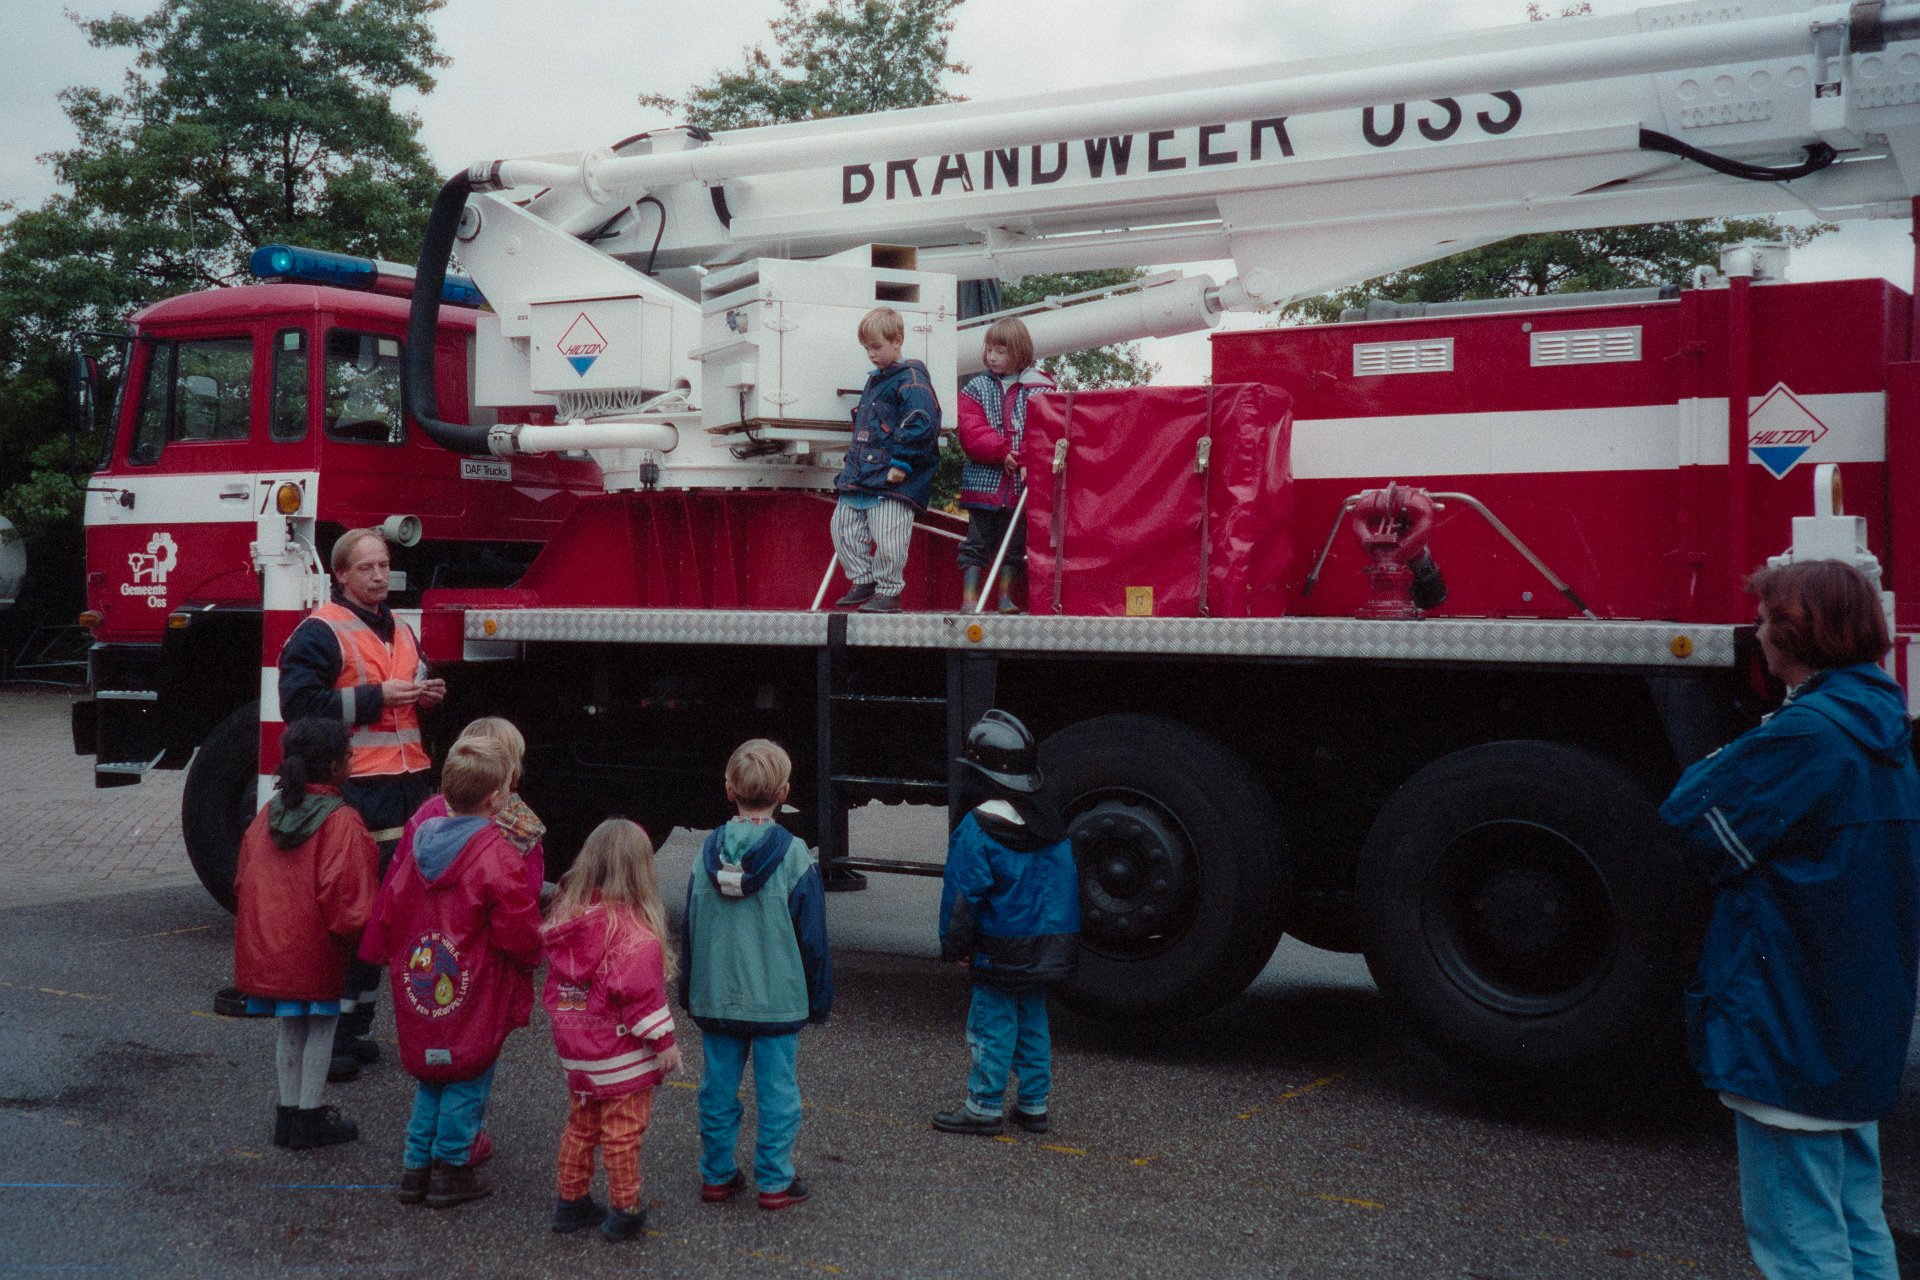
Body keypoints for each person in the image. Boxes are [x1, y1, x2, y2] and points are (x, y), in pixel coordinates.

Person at [1660, 559, 1920, 1280]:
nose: (1756, 636)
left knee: (1800, 1244)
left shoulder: (1803, 736)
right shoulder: (1881, 726)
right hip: (1855, 1026)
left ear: (1795, 634)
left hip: (1789, 1025)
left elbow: (1691, 814)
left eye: (1764, 622)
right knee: (1857, 1220)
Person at [279, 526, 446, 1078]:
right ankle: (336, 1041)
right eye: (367, 568)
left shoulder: (400, 627)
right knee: (356, 919)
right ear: (341, 575)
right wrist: (376, 698)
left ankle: (356, 1030)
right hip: (357, 791)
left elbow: (410, 691)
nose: (379, 576)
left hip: (406, 784)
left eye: (384, 566)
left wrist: (429, 695)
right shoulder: (320, 631)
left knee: (386, 920)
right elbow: (299, 708)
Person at [359, 736, 542, 1210]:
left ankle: (416, 1165)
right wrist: (531, 957)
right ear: (496, 799)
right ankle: (451, 1165)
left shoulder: (419, 845)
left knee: (433, 1075)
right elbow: (518, 929)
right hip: (475, 986)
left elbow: (391, 911)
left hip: (427, 981)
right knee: (467, 1073)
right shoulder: (496, 855)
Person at [680, 739, 833, 1211]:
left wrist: (689, 989)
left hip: (716, 995)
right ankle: (774, 1179)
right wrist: (818, 998)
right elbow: (813, 937)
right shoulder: (794, 856)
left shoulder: (706, 852)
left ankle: (717, 1173)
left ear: (729, 790)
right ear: (784, 792)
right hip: (777, 1001)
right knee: (778, 1092)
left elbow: (691, 926)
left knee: (717, 1089)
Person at [231, 717, 379, 1151]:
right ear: (335, 767)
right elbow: (349, 900)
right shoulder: (342, 821)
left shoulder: (267, 815)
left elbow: (242, 882)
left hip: (270, 949)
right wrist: (367, 941)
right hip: (318, 949)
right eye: (349, 756)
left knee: (290, 1027)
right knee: (323, 1026)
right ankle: (310, 1116)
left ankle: (287, 1115)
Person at [933, 710, 1080, 1136]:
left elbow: (962, 897)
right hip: (1046, 945)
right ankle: (1034, 1104)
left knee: (991, 1025)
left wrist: (956, 946)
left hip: (996, 947)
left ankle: (983, 1106)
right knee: (1033, 1022)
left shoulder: (977, 828)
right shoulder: (1051, 824)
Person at [542, 819, 685, 1241]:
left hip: (579, 1053)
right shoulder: (634, 933)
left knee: (581, 1126)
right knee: (623, 1133)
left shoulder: (568, 922)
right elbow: (641, 998)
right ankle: (626, 1208)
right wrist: (665, 1042)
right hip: (620, 1057)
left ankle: (571, 1202)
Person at [829, 307, 942, 615]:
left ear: (897, 341)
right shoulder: (877, 380)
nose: (871, 354)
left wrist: (902, 463)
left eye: (876, 347)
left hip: (893, 477)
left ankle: (889, 591)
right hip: (863, 473)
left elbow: (921, 424)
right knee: (842, 527)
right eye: (867, 348)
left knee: (889, 535)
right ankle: (864, 579)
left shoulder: (912, 379)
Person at [955, 318, 1053, 614]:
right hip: (983, 483)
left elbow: (1043, 427)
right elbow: (971, 429)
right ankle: (969, 599)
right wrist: (1002, 452)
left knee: (1014, 545)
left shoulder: (1040, 389)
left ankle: (1005, 598)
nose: (993, 357)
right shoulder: (976, 388)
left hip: (1020, 486)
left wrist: (1025, 458)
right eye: (990, 350)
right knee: (976, 542)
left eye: (1001, 351)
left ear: (1020, 352)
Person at [399, 716, 546, 898]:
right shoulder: (526, 826)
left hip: (425, 915)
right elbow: (528, 895)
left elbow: (397, 881)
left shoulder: (431, 809)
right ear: (513, 764)